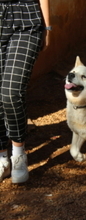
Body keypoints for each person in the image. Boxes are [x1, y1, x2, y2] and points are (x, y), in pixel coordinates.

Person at [0, 0, 51, 183]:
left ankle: (19, 154)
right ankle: (2, 158)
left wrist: (47, 26)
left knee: (11, 92)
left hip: (27, 18)